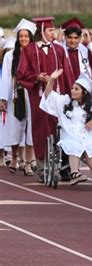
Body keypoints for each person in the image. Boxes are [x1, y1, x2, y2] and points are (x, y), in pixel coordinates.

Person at [16, 16, 73, 183]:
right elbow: (22, 74)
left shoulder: (59, 50)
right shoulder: (30, 50)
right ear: (41, 32)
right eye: (50, 30)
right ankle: (42, 167)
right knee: (41, 129)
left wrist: (70, 95)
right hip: (39, 97)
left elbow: (68, 74)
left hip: (58, 96)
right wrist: (36, 77)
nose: (53, 33)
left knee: (59, 127)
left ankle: (62, 166)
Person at [40, 69, 92, 185]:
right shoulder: (65, 102)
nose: (72, 91)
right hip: (69, 134)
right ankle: (74, 173)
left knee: (90, 146)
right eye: (72, 88)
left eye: (76, 89)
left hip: (88, 134)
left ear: (84, 92)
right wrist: (52, 80)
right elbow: (49, 97)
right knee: (73, 144)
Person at [0, 19, 36, 176]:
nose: (23, 39)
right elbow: (6, 78)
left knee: (31, 130)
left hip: (32, 94)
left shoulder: (36, 53)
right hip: (15, 95)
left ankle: (28, 162)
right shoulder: (10, 56)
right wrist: (3, 98)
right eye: (21, 36)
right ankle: (14, 157)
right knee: (15, 128)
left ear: (31, 37)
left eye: (26, 36)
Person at [60, 18, 92, 98]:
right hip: (65, 90)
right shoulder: (59, 51)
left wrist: (89, 42)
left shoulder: (85, 50)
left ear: (80, 38)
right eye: (70, 37)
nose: (73, 41)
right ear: (64, 37)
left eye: (76, 38)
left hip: (82, 92)